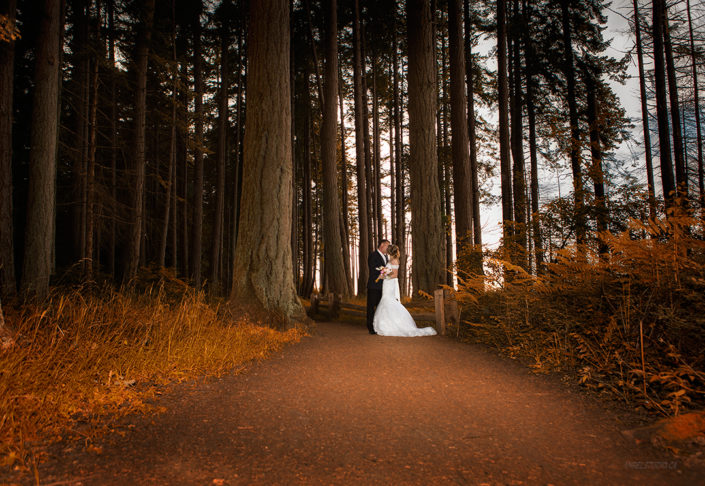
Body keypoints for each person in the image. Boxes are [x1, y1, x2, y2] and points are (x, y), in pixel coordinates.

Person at [373, 244, 437, 337]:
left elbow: (394, 275)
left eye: (387, 250)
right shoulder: (391, 260)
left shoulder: (394, 261)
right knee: (386, 300)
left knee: (389, 301)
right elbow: (389, 271)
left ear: (390, 251)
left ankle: (393, 325)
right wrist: (382, 273)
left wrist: (384, 276)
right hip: (387, 283)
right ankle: (387, 324)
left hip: (390, 284)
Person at [366, 239, 390, 334]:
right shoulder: (373, 255)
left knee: (381, 307)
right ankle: (370, 327)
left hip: (383, 287)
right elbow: (374, 269)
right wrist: (385, 272)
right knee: (371, 307)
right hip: (374, 286)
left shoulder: (386, 257)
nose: (388, 248)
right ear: (382, 245)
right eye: (387, 246)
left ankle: (379, 326)